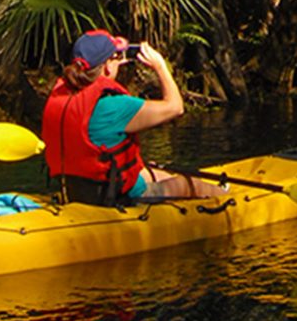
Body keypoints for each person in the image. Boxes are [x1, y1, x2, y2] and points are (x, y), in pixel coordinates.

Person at [41, 30, 222, 205]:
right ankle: (231, 197)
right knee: (186, 184)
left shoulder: (61, 98)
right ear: (106, 66)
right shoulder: (114, 106)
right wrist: (160, 66)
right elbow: (176, 108)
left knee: (156, 174)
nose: (120, 63)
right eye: (117, 58)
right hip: (112, 197)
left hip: (74, 191)